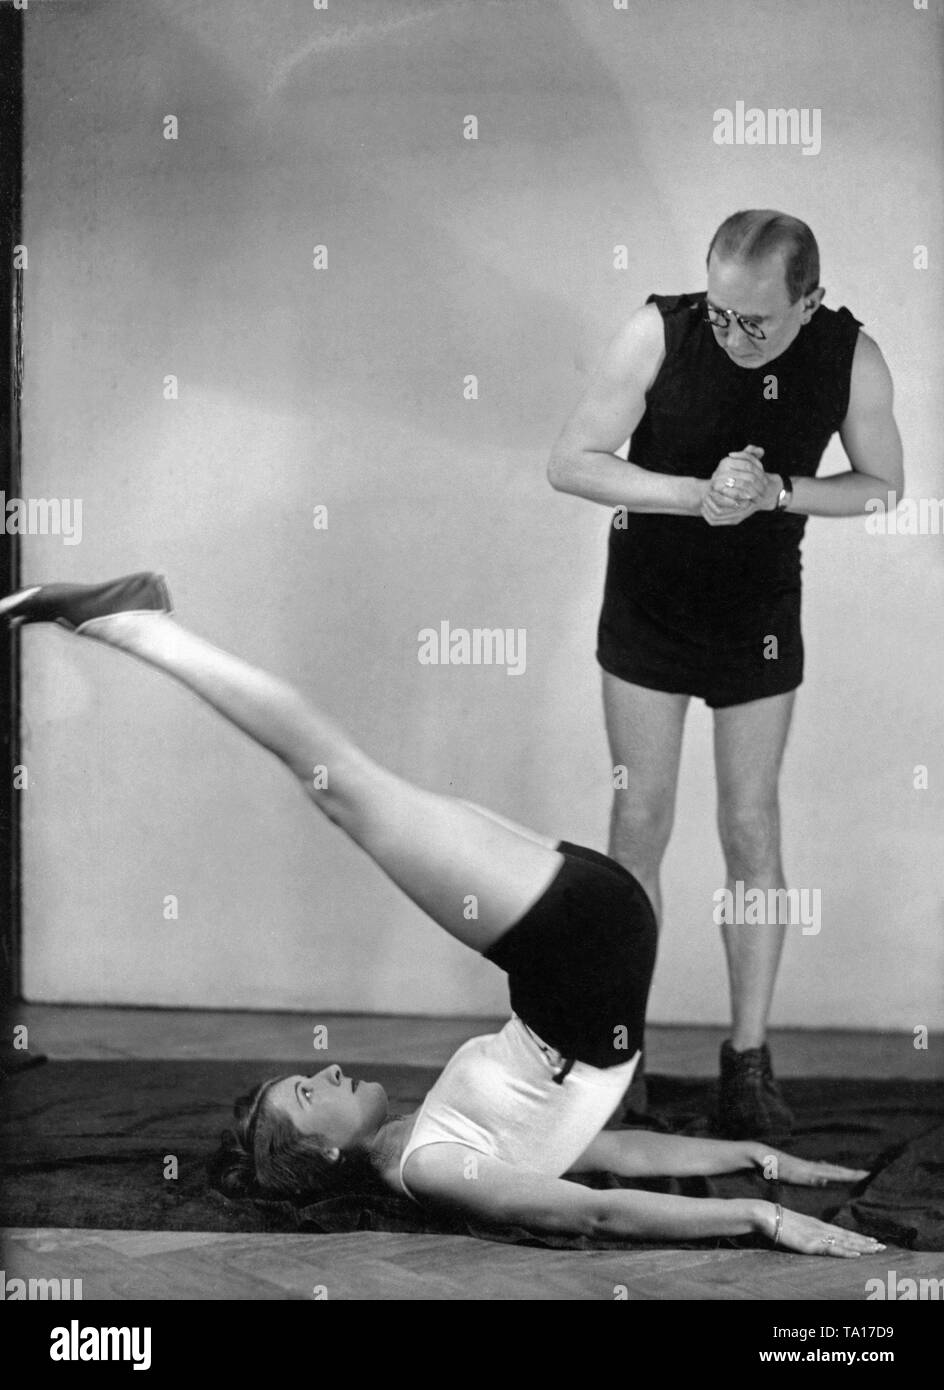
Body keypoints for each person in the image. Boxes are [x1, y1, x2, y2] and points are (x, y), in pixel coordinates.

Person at [1, 572, 883, 1256]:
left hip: (580, 935)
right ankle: (134, 623)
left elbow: (616, 1151)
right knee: (341, 785)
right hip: (575, 941)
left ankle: (138, 621)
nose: (325, 1072)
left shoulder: (424, 1133)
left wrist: (756, 1159)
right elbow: (596, 1209)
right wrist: (764, 1220)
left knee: (356, 785)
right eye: (307, 1097)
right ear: (326, 1158)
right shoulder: (433, 1168)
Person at [547, 210, 904, 1140]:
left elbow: (882, 486)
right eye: (719, 315)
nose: (733, 336)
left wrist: (780, 492)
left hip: (757, 619)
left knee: (751, 826)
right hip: (648, 609)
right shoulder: (657, 330)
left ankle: (746, 1062)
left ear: (808, 304)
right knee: (638, 824)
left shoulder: (851, 355)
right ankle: (617, 1057)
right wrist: (693, 495)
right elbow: (570, 462)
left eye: (757, 322)